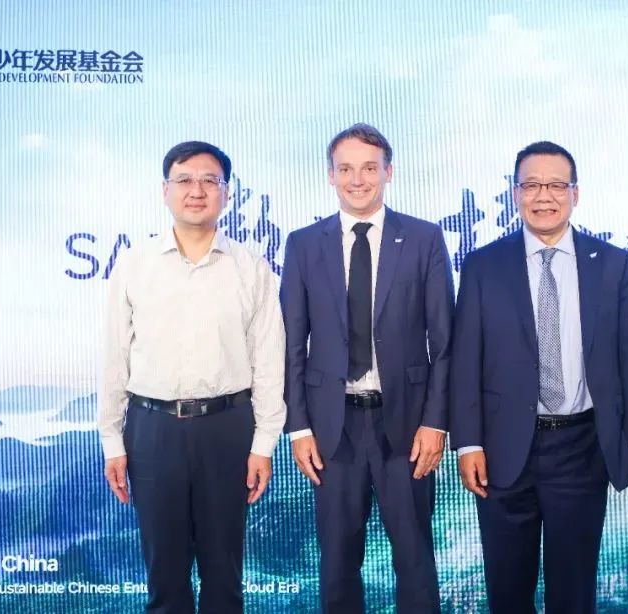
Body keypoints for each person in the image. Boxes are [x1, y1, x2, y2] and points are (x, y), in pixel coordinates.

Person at [449, 141, 628, 613]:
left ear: (575, 194)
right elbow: (465, 361)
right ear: (516, 194)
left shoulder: (612, 264)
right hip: (501, 450)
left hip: (582, 447)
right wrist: (468, 442)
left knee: (574, 593)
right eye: (532, 185)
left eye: (557, 185)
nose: (545, 196)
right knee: (507, 591)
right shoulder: (483, 265)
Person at [97, 141, 286, 613]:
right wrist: (112, 439)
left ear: (226, 193)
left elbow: (269, 361)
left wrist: (263, 444)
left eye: (209, 181)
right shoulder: (135, 263)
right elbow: (114, 356)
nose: (196, 190)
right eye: (184, 179)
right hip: (152, 429)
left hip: (227, 428)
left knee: (224, 575)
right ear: (165, 191)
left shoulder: (251, 268)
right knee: (165, 577)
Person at [280, 123, 454, 613]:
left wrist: (436, 422)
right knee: (337, 561)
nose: (357, 180)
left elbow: (445, 342)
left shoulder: (422, 239)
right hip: (332, 429)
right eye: (346, 169)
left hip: (408, 425)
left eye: (369, 168)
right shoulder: (303, 244)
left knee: (415, 558)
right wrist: (299, 428)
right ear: (330, 175)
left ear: (388, 172)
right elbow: (291, 344)